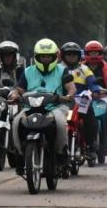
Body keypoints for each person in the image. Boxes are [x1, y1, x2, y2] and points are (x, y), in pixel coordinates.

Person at [9, 39, 77, 172]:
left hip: (55, 106)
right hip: (30, 107)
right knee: (16, 122)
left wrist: (68, 96)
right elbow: (19, 89)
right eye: (43, 56)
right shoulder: (28, 71)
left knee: (60, 122)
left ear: (54, 57)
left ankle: (61, 152)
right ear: (37, 57)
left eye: (49, 56)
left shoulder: (62, 70)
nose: (46, 59)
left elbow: (71, 88)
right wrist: (15, 95)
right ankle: (19, 154)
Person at [61, 42, 101, 163]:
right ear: (63, 56)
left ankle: (90, 146)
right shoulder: (59, 69)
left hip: (81, 100)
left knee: (90, 115)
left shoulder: (84, 69)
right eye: (68, 54)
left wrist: (95, 91)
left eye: (74, 55)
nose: (71, 57)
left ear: (79, 56)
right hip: (63, 101)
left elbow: (92, 83)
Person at [84, 40, 107, 151]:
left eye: (96, 52)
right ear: (87, 54)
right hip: (86, 96)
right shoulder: (81, 67)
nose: (94, 55)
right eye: (91, 53)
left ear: (100, 53)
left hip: (104, 96)